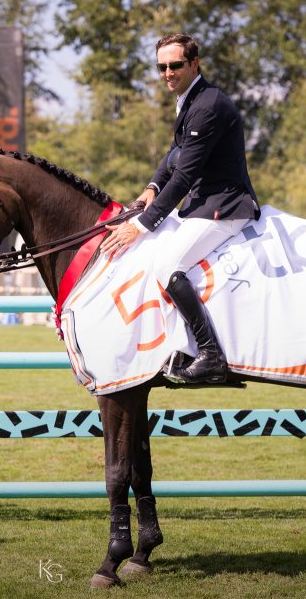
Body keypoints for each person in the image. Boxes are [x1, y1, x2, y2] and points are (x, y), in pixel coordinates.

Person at [102, 33, 260, 384]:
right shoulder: (189, 100)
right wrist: (150, 189)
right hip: (203, 204)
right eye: (161, 67)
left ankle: (211, 355)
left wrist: (141, 224)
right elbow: (173, 157)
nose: (168, 73)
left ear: (194, 64)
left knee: (167, 265)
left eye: (175, 65)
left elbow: (185, 175)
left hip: (225, 207)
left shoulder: (207, 106)